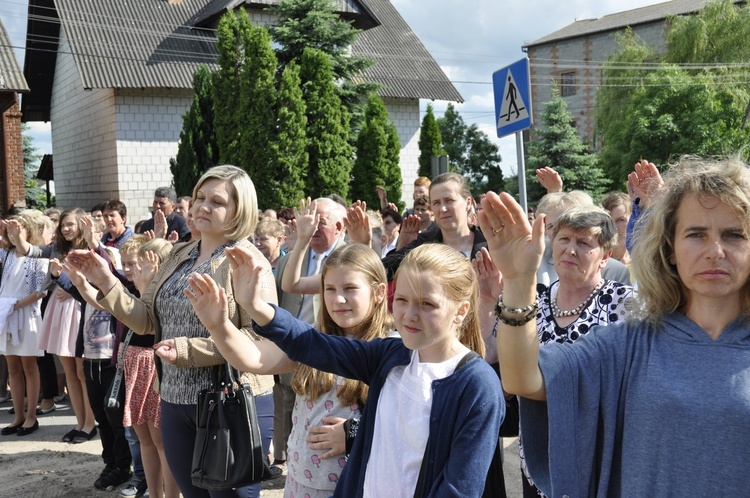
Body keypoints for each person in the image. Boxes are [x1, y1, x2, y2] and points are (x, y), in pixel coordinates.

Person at [479, 156, 750, 496]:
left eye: (734, 235)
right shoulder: (631, 343)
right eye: (696, 234)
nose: (715, 251)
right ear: (670, 250)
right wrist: (519, 281)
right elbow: (522, 377)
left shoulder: (622, 306)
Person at [226, 242, 504, 497]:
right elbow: (313, 344)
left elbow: (460, 488)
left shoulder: (477, 385)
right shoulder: (391, 355)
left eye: (427, 303)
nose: (409, 314)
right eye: (403, 300)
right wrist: (256, 306)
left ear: (461, 310)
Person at [66, 165, 277, 498]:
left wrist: (188, 351)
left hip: (231, 402)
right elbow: (146, 319)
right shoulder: (178, 256)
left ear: (241, 209)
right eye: (199, 197)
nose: (203, 206)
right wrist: (105, 279)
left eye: (217, 201)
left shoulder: (249, 262)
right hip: (174, 401)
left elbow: (261, 341)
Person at [185, 243, 392, 497]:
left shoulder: (389, 349)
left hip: (353, 486)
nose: (338, 299)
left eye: (350, 288)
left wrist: (353, 432)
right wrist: (218, 326)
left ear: (379, 292)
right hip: (299, 483)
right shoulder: (313, 341)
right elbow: (254, 357)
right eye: (330, 289)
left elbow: (401, 422)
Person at [515, 206, 636, 496]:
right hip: (536, 456)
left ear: (605, 256)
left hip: (599, 459)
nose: (570, 250)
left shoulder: (625, 304)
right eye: (564, 239)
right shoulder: (533, 303)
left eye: (583, 243)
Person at [272, 197, 347, 474]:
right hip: (293, 354)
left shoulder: (347, 259)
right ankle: (296, 466)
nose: (313, 228)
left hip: (332, 359)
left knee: (323, 426)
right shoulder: (292, 260)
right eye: (309, 221)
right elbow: (284, 294)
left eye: (320, 222)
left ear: (339, 227)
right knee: (293, 417)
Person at [21, 208, 97, 442]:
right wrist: (17, 235)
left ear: (81, 225)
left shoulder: (92, 249)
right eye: (63, 225)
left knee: (83, 372)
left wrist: (74, 289)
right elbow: (30, 251)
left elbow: (99, 281)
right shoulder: (56, 248)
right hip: (59, 307)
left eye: (70, 224)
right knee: (70, 370)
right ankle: (79, 422)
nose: (66, 228)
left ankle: (90, 424)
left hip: (80, 309)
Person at [381, 173, 487, 281]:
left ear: (468, 203)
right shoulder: (421, 245)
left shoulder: (489, 246)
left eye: (449, 200)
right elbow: (379, 273)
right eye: (436, 203)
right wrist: (401, 247)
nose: (443, 209)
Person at [0, 214, 48, 436]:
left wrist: (16, 305)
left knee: (29, 366)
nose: (12, 234)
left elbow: (40, 291)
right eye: (9, 231)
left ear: (28, 230)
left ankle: (31, 416)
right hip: (7, 315)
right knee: (12, 367)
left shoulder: (38, 256)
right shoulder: (6, 254)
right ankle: (18, 415)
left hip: (25, 314)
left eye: (17, 229)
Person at [600, 192, 631, 265]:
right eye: (609, 220)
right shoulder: (598, 262)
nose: (614, 227)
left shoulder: (641, 261)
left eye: (620, 220)